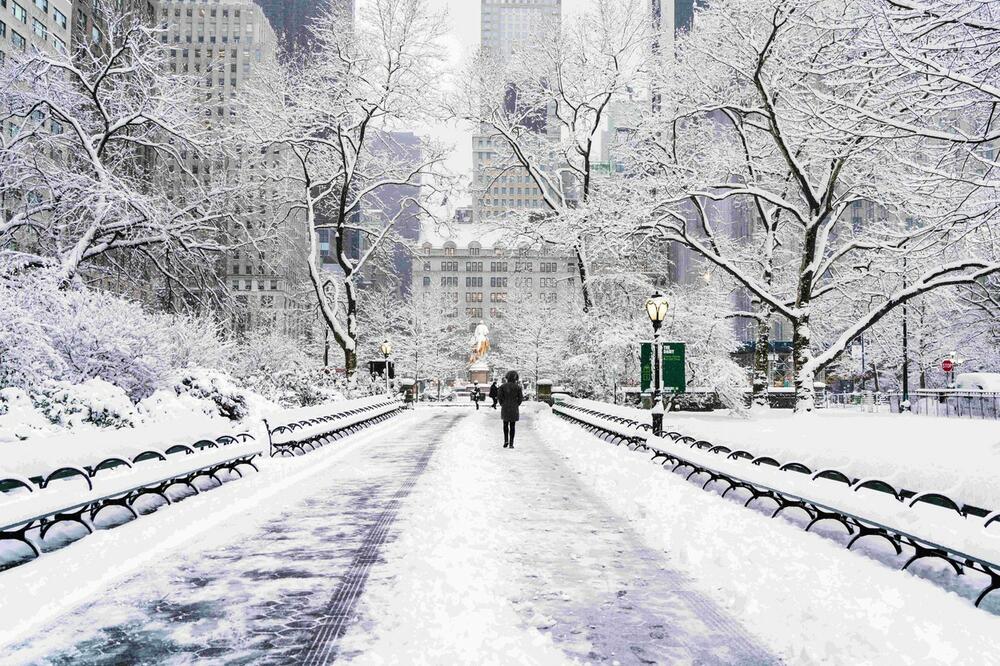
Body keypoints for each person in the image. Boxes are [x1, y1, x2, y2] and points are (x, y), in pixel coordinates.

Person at [496, 370, 524, 449]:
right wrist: (516, 404)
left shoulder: (503, 387)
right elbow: (520, 398)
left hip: (505, 407)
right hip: (514, 408)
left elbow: (499, 397)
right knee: (512, 426)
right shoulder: (518, 387)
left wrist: (503, 404)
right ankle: (511, 443)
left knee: (505, 425)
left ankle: (506, 441)